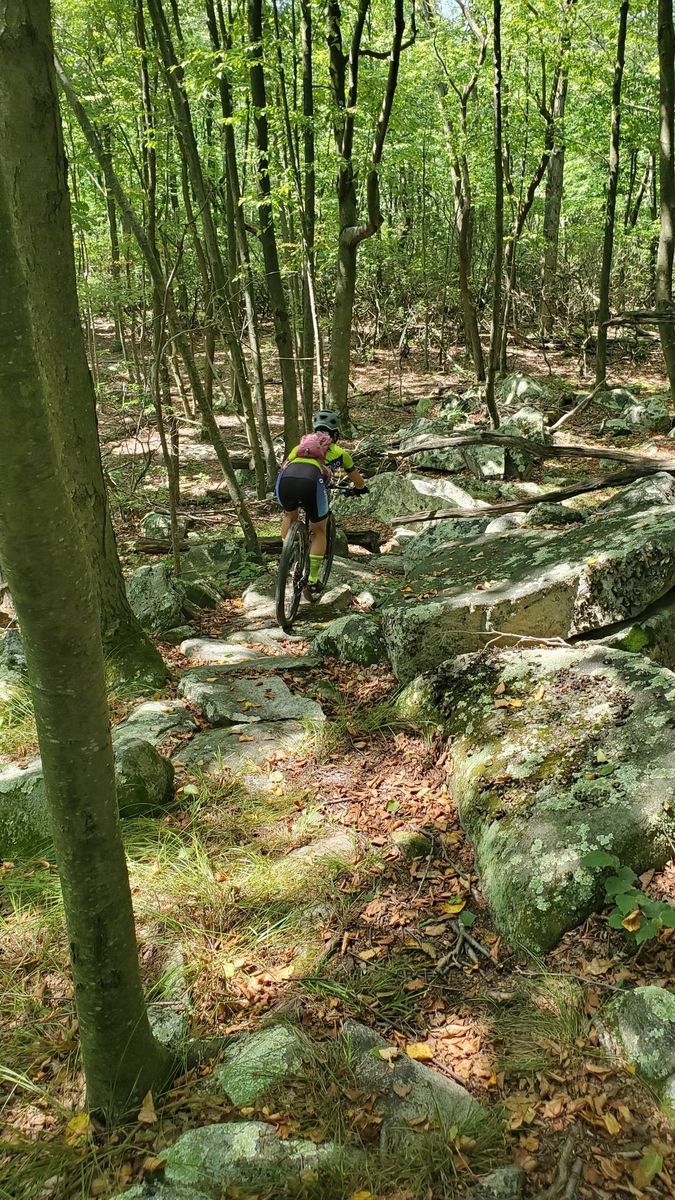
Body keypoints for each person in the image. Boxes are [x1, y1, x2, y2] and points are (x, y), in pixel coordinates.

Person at [275, 411, 368, 599]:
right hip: (311, 484)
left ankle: (288, 555)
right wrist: (360, 489)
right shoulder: (340, 453)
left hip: (285, 481)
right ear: (335, 435)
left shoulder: (298, 448)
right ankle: (312, 579)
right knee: (318, 530)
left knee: (289, 515)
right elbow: (358, 481)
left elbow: (285, 466)